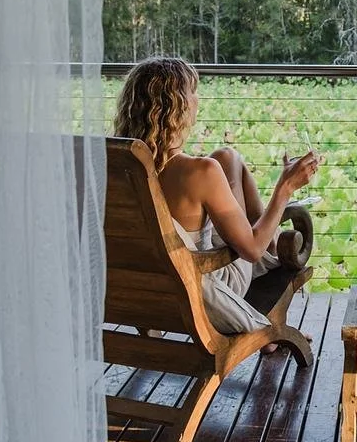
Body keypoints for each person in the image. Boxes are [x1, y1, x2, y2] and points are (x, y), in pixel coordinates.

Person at [114, 56, 321, 335]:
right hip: (207, 283)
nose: (197, 99)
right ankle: (275, 250)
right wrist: (285, 187)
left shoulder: (119, 166)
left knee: (226, 156)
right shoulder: (199, 172)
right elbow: (251, 250)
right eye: (192, 92)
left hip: (151, 284)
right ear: (177, 106)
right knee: (228, 164)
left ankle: (272, 242)